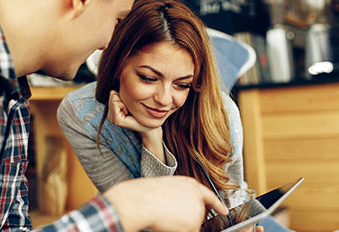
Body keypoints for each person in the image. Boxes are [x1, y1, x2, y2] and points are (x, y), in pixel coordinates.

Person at [0, 0, 231, 231]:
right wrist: (129, 206)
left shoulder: (10, 93)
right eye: (117, 19)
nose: (107, 43)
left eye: (181, 84)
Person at [57, 0, 264, 231]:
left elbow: (234, 199)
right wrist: (152, 139)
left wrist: (244, 223)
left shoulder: (221, 112)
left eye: (182, 84)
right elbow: (143, 220)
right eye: (148, 78)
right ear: (118, 65)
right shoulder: (81, 114)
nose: (165, 99)